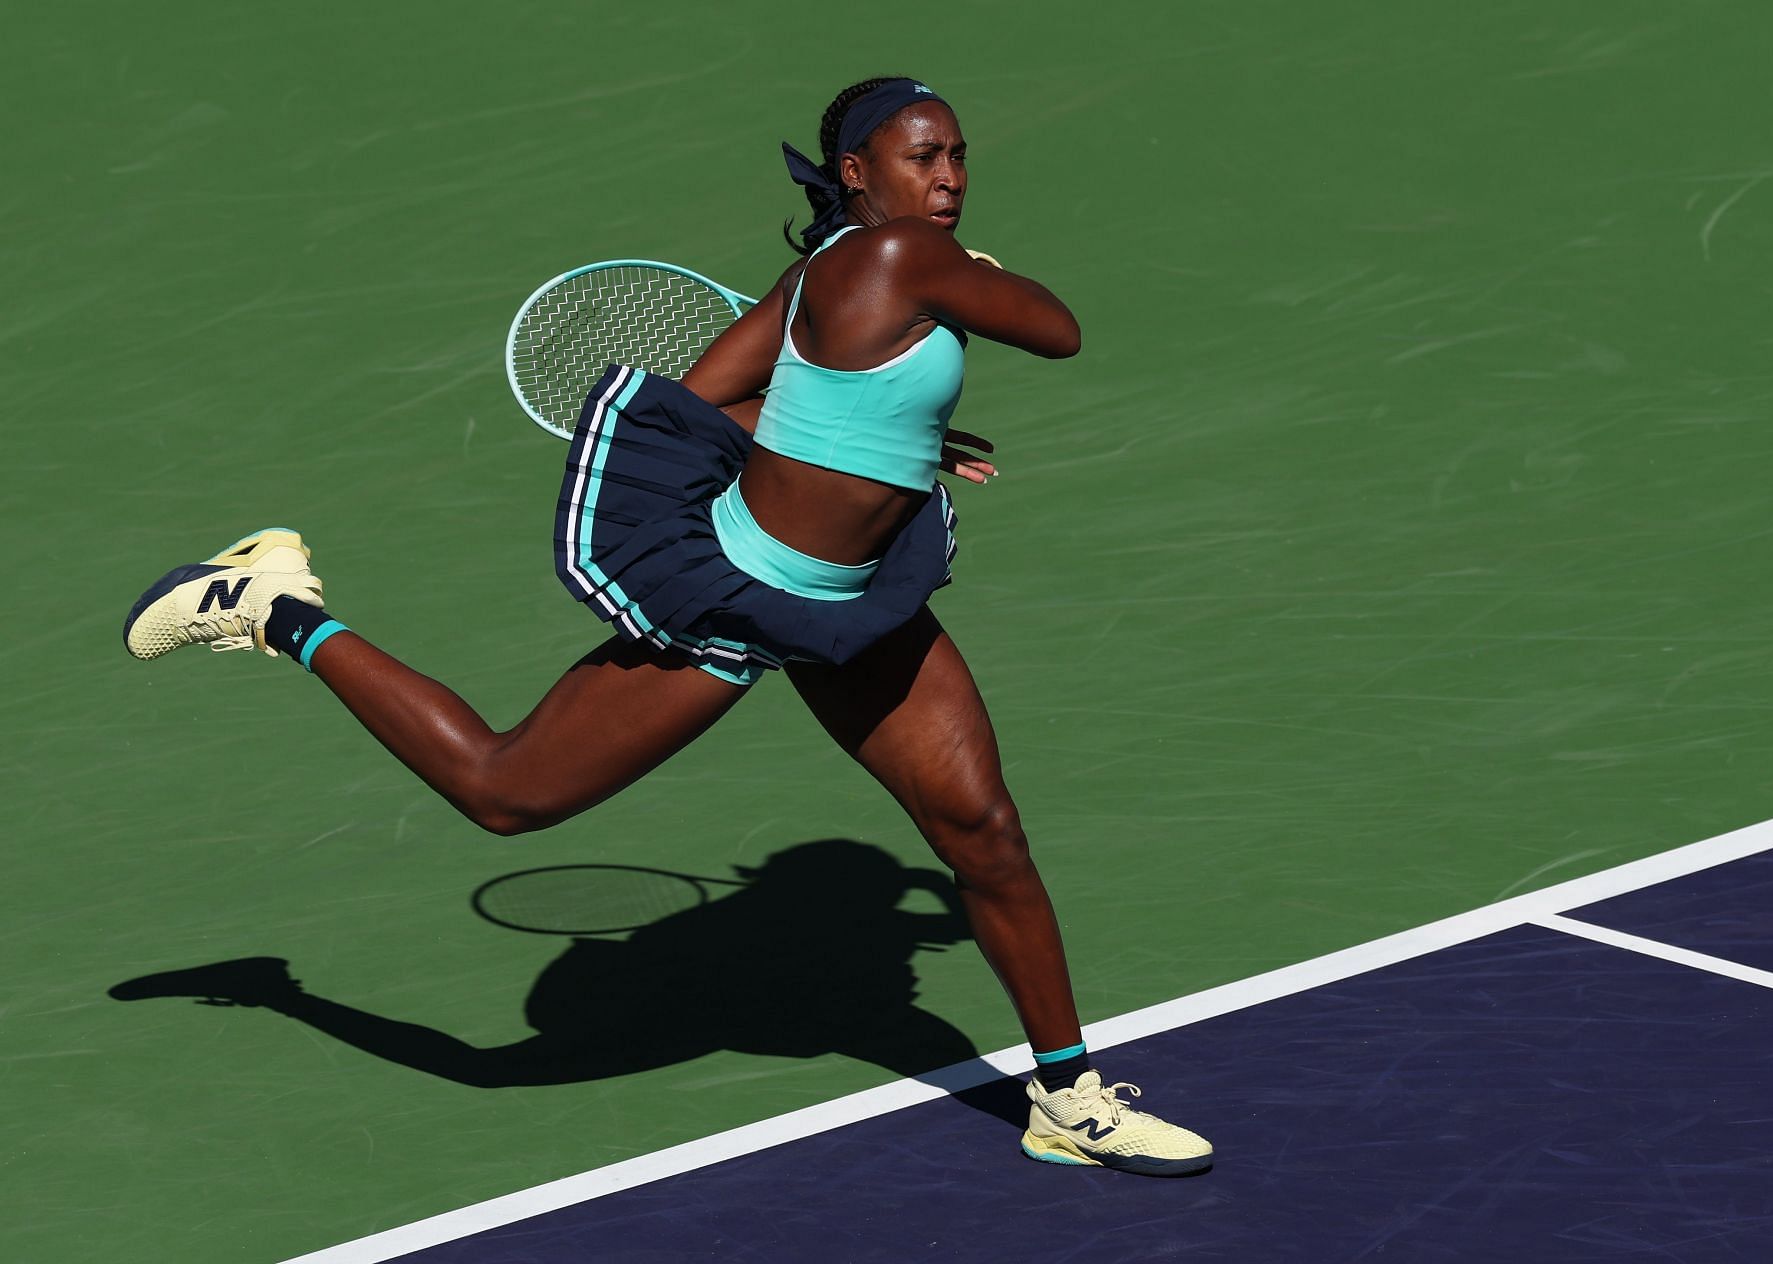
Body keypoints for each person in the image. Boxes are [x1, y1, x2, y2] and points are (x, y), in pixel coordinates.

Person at [122, 76, 1212, 1177]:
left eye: (959, 157)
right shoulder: (910, 262)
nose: (949, 181)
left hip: (856, 604)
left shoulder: (812, 282)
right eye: (922, 159)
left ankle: (1067, 1095)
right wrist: (970, 276)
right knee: (505, 792)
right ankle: (273, 605)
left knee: (984, 834)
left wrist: (883, 433)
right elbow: (1060, 331)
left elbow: (708, 400)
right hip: (744, 596)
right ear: (856, 174)